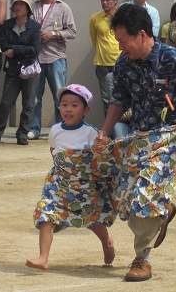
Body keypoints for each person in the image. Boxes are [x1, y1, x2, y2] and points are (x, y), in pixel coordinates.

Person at [94, 4, 176, 281]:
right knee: (125, 199)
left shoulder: (173, 58)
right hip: (139, 138)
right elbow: (119, 99)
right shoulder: (123, 63)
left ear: (141, 35)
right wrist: (104, 131)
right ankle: (165, 209)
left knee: (144, 197)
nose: (121, 48)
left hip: (171, 136)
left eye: (123, 42)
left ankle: (142, 259)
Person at [26, 84, 117, 270]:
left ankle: (107, 242)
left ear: (86, 110)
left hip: (84, 187)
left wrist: (106, 143)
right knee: (46, 214)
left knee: (92, 220)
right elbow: (54, 150)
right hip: (59, 184)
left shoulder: (91, 133)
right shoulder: (55, 130)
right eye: (64, 104)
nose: (68, 109)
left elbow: (102, 157)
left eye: (74, 105)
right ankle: (43, 258)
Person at [0, 0, 41, 146]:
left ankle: (22, 134)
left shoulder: (35, 27)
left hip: (30, 71)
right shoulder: (7, 25)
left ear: (28, 9)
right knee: (5, 103)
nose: (18, 7)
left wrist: (15, 50)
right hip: (12, 71)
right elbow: (3, 45)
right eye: (16, 4)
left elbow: (35, 49)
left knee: (29, 104)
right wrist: (20, 49)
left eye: (21, 5)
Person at [28, 0, 77, 140]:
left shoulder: (63, 7)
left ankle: (61, 129)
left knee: (60, 97)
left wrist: (53, 34)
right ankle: (34, 129)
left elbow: (72, 32)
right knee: (34, 97)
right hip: (36, 59)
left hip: (56, 58)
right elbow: (27, 28)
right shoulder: (32, 7)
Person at [89, 0, 121, 115]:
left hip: (120, 63)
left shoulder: (123, 17)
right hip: (102, 65)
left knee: (122, 97)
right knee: (106, 99)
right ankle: (109, 132)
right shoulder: (95, 19)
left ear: (116, 0)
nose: (104, 2)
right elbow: (94, 39)